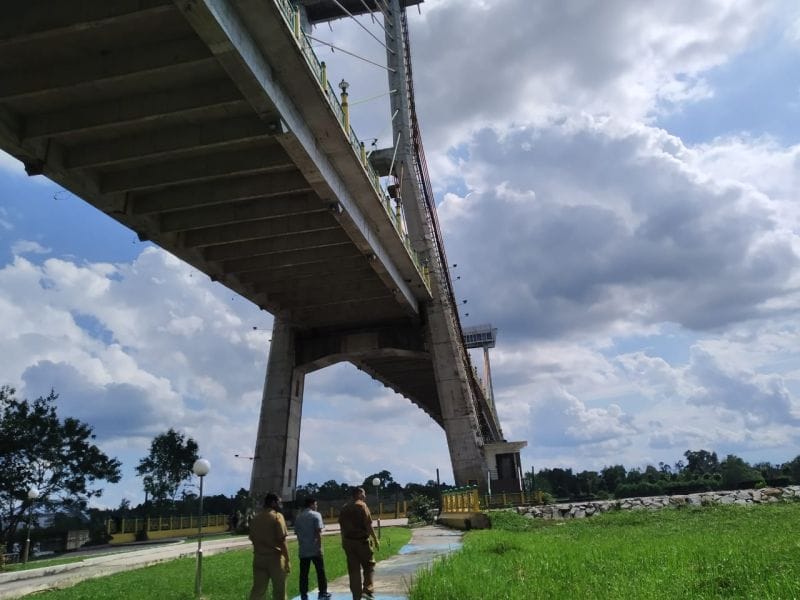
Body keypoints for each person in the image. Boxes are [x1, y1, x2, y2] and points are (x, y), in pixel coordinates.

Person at [338, 487, 380, 600]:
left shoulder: (344, 508)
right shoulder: (362, 506)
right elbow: (368, 525)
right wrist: (375, 539)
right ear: (359, 494)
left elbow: (342, 527)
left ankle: (356, 596)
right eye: (364, 494)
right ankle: (367, 590)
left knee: (353, 570)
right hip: (361, 542)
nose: (365, 496)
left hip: (348, 542)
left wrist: (343, 541)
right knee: (369, 565)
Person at [249, 492, 291, 600]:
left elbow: (252, 538)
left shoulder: (255, 519)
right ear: (273, 503)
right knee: (279, 591)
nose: (280, 505)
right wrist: (287, 559)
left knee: (258, 590)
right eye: (279, 502)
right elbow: (282, 541)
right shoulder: (277, 516)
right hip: (275, 559)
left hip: (259, 558)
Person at [294, 497, 332, 600]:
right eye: (315, 504)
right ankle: (322, 592)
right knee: (320, 571)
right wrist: (320, 547)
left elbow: (297, 533)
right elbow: (318, 532)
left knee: (304, 573)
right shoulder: (316, 515)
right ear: (311, 504)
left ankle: (303, 594)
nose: (316, 506)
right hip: (315, 548)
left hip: (303, 549)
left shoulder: (298, 517)